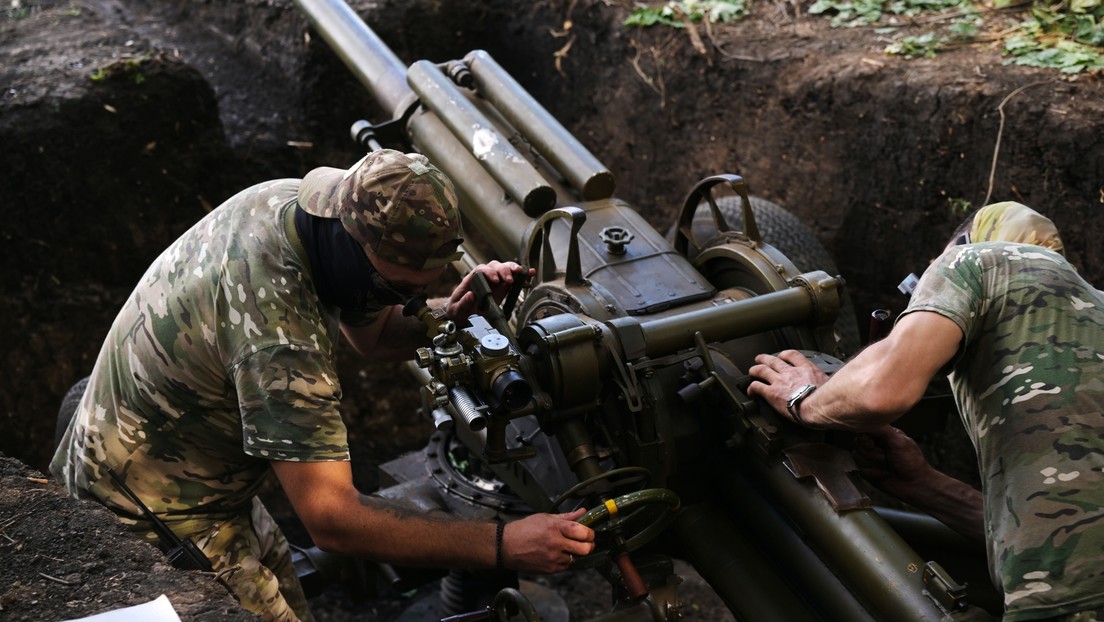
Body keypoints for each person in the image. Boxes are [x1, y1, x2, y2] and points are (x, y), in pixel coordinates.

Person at [50, 149, 595, 622]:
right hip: (148, 514)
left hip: (202, 473)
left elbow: (375, 336)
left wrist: (449, 314)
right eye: (397, 287)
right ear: (350, 244)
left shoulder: (302, 209)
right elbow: (332, 519)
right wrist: (502, 545)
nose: (406, 298)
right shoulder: (281, 341)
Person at [747, 201, 1104, 621]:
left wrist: (804, 398)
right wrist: (926, 486)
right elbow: (1061, 522)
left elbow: (881, 393)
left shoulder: (972, 261)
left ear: (961, 242)